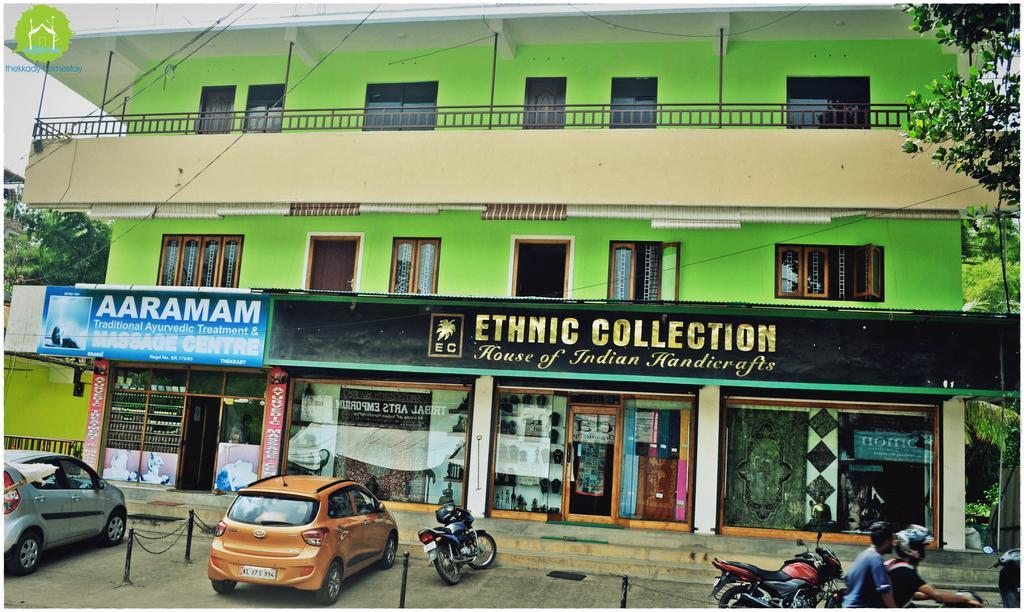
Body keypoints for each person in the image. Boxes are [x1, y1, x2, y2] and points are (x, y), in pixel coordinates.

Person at [886, 525, 982, 608]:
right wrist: (966, 598)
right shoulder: (905, 571)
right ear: (912, 549)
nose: (923, 551)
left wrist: (929, 594)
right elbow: (938, 596)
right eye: (921, 547)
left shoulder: (895, 564)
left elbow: (909, 594)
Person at [843, 521, 898, 608]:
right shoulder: (876, 559)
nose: (894, 542)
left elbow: (847, 579)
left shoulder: (863, 555)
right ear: (887, 541)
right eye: (892, 539)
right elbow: (885, 593)